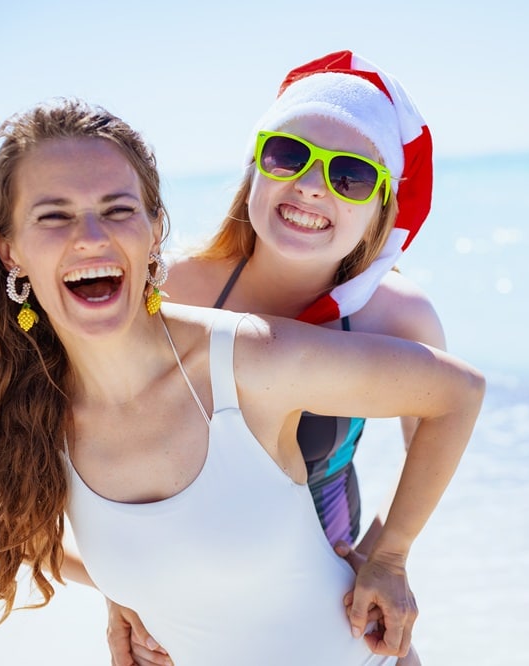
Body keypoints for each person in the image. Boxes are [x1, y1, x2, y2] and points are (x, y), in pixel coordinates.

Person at [0, 97, 484, 665]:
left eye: (117, 210)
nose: (90, 236)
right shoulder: (25, 400)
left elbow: (456, 396)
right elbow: (15, 529)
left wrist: (389, 554)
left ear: (155, 229)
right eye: (54, 215)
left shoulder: (250, 353)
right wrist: (125, 587)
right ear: (9, 249)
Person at [105, 51, 442, 665]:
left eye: (350, 175)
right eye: (289, 154)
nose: (312, 185)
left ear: (382, 208)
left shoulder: (396, 321)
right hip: (184, 624)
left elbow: (437, 432)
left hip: (333, 617)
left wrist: (387, 555)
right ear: (254, 168)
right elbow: (101, 454)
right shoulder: (169, 292)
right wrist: (120, 592)